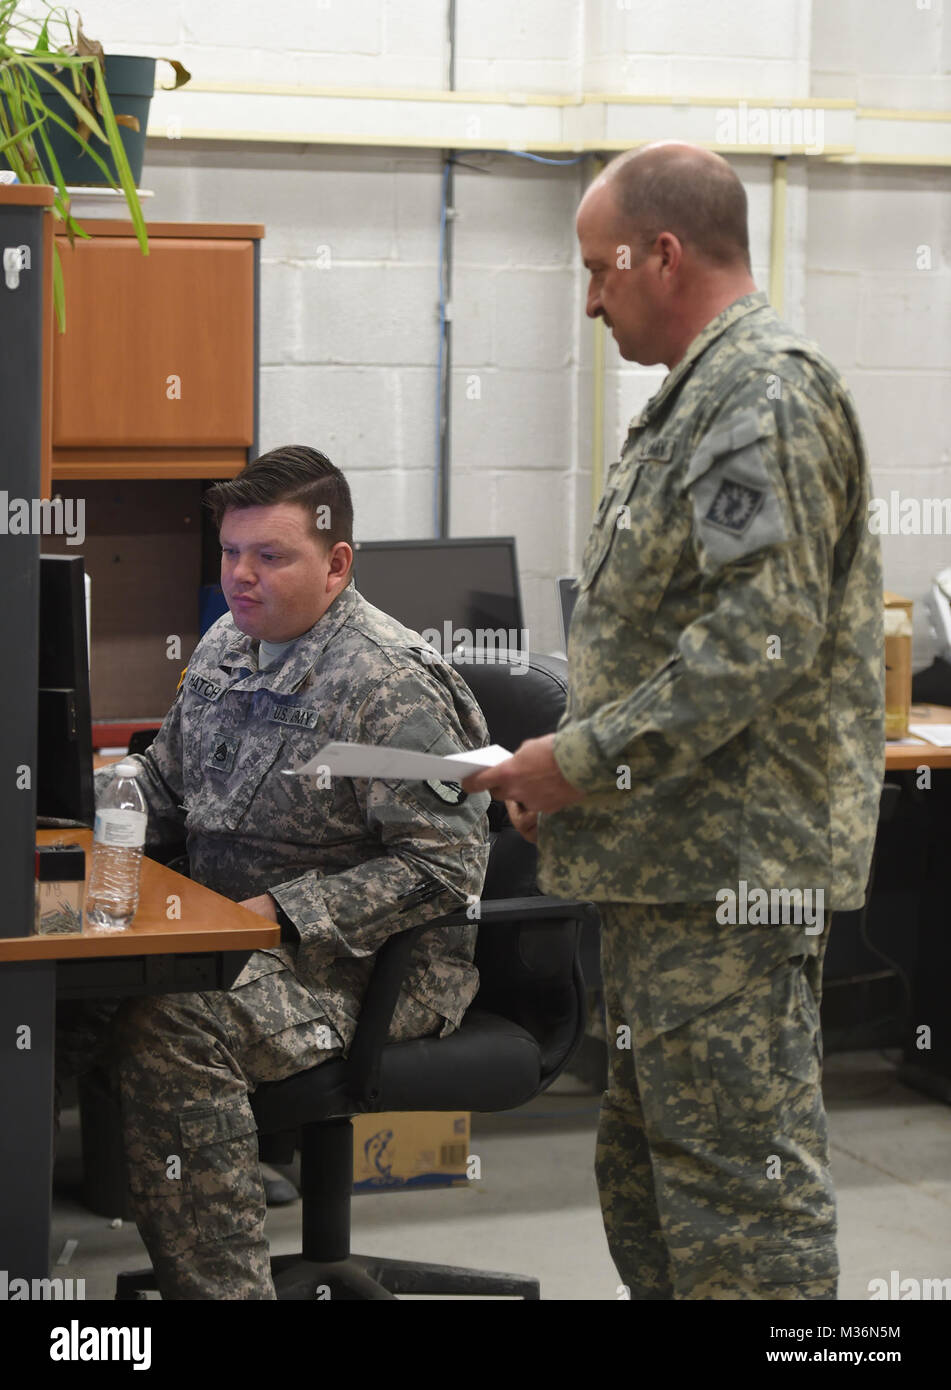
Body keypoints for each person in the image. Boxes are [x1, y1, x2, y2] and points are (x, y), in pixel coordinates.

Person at [463, 142, 884, 1300]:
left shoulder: (763, 394)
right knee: (653, 1186)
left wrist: (579, 761)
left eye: (599, 270)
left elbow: (759, 640)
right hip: (669, 875)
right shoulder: (698, 397)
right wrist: (577, 781)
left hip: (730, 880)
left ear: (663, 252)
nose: (590, 298)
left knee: (741, 1201)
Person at [69, 445, 490, 1299]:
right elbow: (165, 781)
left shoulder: (385, 682)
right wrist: (83, 808)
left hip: (367, 967)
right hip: (232, 936)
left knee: (170, 1022)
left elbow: (445, 867)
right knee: (55, 999)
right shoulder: (230, 643)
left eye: (270, 556)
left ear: (336, 563)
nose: (241, 576)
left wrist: (283, 911)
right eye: (231, 553)